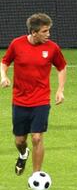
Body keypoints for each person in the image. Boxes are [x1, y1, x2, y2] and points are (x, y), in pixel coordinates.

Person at [1, 13, 67, 176]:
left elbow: (61, 67)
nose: (48, 34)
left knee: (37, 138)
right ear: (34, 32)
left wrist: (60, 89)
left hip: (41, 99)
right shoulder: (17, 44)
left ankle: (36, 175)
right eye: (45, 31)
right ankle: (23, 154)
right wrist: (3, 76)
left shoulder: (52, 48)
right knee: (20, 140)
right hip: (20, 100)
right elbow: (4, 62)